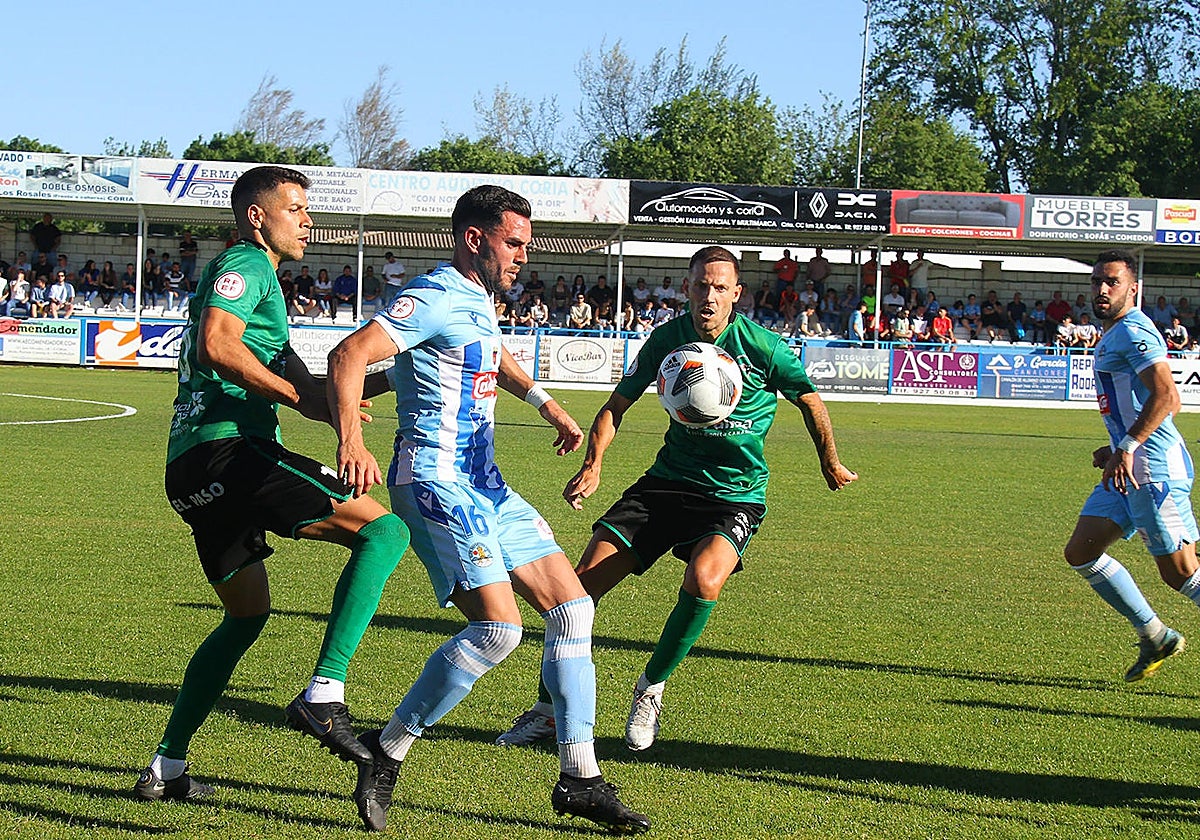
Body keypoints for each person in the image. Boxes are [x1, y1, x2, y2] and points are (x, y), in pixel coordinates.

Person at [324, 184, 649, 833]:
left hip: (486, 484)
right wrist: (351, 440)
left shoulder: (477, 300)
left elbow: (490, 356)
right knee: (499, 631)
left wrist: (547, 405)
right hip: (435, 481)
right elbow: (350, 354)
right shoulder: (435, 294)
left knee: (573, 608)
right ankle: (389, 750)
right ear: (475, 239)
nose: (524, 256)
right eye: (514, 243)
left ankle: (579, 778)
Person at [496, 245, 856, 756]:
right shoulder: (667, 340)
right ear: (686, 288)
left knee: (704, 579)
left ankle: (651, 687)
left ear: (736, 293)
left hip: (733, 494)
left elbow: (810, 399)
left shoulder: (764, 347)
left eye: (719, 287)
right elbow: (616, 405)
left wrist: (829, 461)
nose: (709, 296)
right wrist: (594, 463)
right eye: (700, 285)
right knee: (576, 593)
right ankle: (547, 710)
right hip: (666, 484)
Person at [132, 166, 411, 803]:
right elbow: (216, 344)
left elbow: (310, 394)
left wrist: (394, 376)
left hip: (191, 471)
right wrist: (300, 400)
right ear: (257, 217)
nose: (308, 222)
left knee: (245, 616)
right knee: (385, 533)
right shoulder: (247, 264)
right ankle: (325, 692)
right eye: (295, 209)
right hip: (231, 451)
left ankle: (166, 767)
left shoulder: (266, 293)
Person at [1063, 249, 1200, 684]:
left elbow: (1168, 397)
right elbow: (1148, 405)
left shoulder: (1135, 331)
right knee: (1082, 550)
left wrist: (1127, 445)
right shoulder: (1114, 333)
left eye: (1113, 282)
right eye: (1097, 281)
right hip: (1126, 467)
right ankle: (1156, 636)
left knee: (1182, 574)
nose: (1102, 290)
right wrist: (1115, 449)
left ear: (1133, 288)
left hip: (1153, 470)